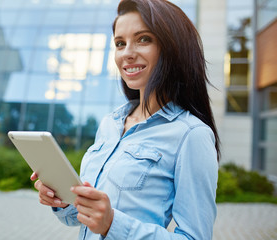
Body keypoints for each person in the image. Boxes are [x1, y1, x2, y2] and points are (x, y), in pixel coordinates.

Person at [31, 0, 220, 239]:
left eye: (143, 39)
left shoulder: (191, 135)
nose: (127, 54)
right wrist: (62, 201)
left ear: (173, 47)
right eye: (120, 43)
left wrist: (112, 223)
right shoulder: (110, 124)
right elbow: (82, 218)